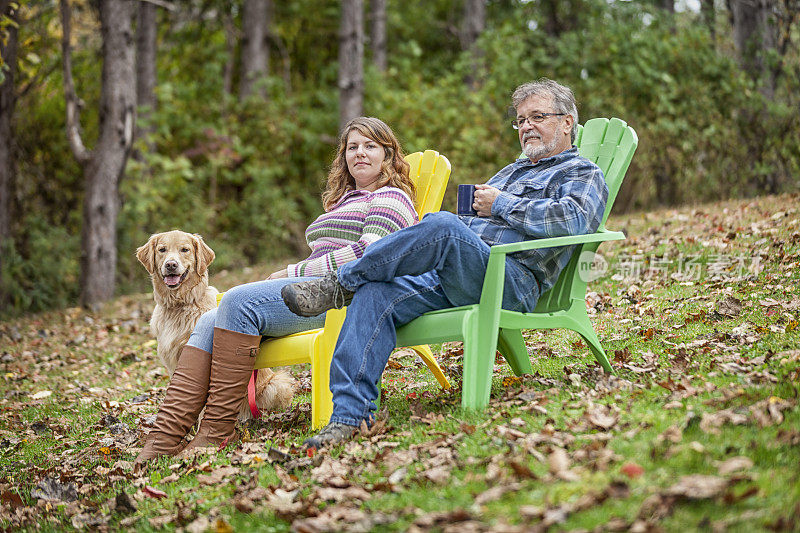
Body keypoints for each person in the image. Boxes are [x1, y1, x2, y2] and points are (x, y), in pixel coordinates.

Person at [281, 78, 610, 450]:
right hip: (458, 274)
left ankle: (340, 283)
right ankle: (349, 418)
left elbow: (575, 220)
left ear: (567, 122)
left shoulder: (582, 173)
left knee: (440, 223)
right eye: (520, 120)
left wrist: (500, 205)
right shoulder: (510, 171)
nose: (526, 127)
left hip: (511, 281)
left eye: (537, 117)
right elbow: (468, 223)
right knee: (375, 291)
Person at [135, 117, 419, 466]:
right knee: (211, 317)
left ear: (388, 154)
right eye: (352, 147)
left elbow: (369, 255)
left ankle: (216, 430)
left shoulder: (391, 197)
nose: (359, 153)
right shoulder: (347, 200)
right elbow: (328, 255)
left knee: (237, 300)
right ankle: (165, 436)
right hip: (312, 290)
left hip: (346, 295)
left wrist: (292, 272)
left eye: (370, 146)